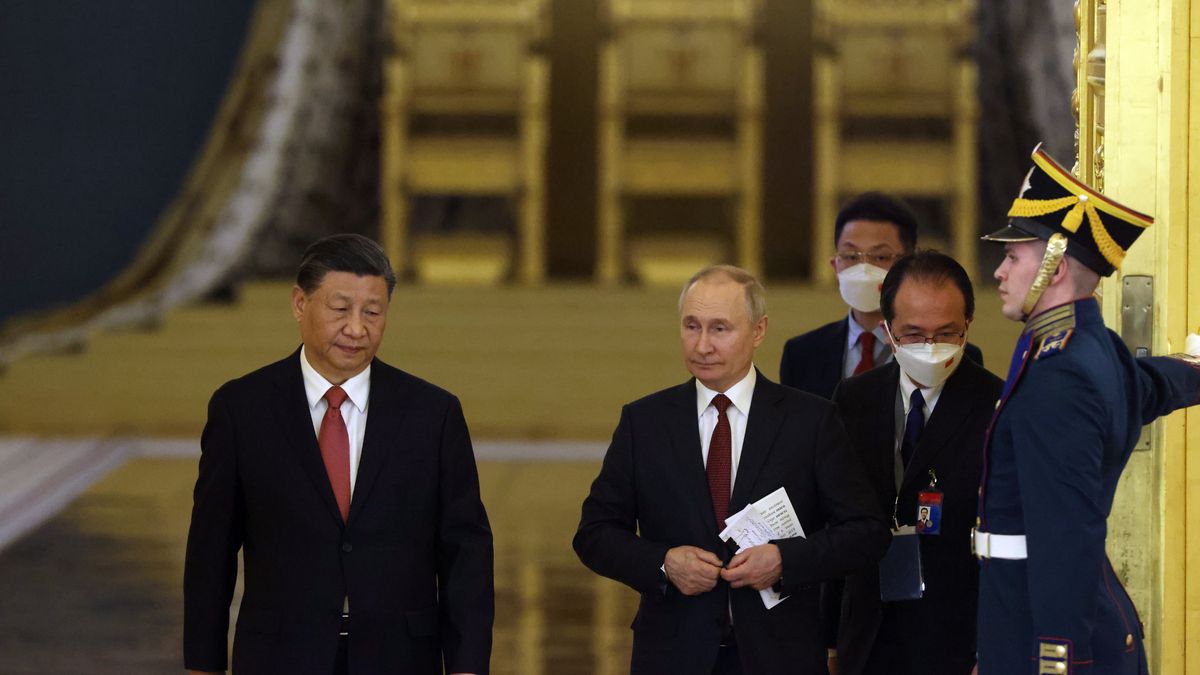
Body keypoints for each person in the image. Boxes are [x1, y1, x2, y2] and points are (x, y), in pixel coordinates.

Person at [183, 234, 494, 675]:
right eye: (340, 308)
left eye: (372, 312)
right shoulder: (242, 409)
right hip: (279, 657)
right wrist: (203, 664)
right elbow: (210, 552)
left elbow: (466, 552)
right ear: (299, 304)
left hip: (400, 657)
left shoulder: (433, 414)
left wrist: (467, 666)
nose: (356, 328)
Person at [574, 264, 890, 675]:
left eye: (719, 329)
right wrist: (665, 563)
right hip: (673, 654)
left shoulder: (810, 421)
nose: (702, 345)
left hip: (779, 653)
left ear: (758, 331)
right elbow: (594, 534)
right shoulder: (645, 422)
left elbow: (866, 532)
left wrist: (784, 561)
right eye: (692, 326)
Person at [974, 145, 1200, 675]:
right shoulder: (1088, 347)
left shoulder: (1060, 375)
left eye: (1013, 257)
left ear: (1054, 267)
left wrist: (1058, 658)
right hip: (1035, 618)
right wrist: (1194, 368)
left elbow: (1064, 532)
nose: (999, 272)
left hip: (1050, 634)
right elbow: (1147, 386)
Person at [830, 251, 1002, 675]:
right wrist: (830, 641)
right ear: (887, 330)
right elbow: (833, 519)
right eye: (913, 334)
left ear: (967, 328)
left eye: (946, 332)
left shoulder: (997, 407)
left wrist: (991, 649)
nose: (930, 347)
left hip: (956, 639)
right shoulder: (853, 399)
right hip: (869, 633)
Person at [779, 191, 984, 399]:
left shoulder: (951, 351)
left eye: (881, 256)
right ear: (835, 265)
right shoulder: (801, 353)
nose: (864, 268)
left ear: (910, 263)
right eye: (851, 256)